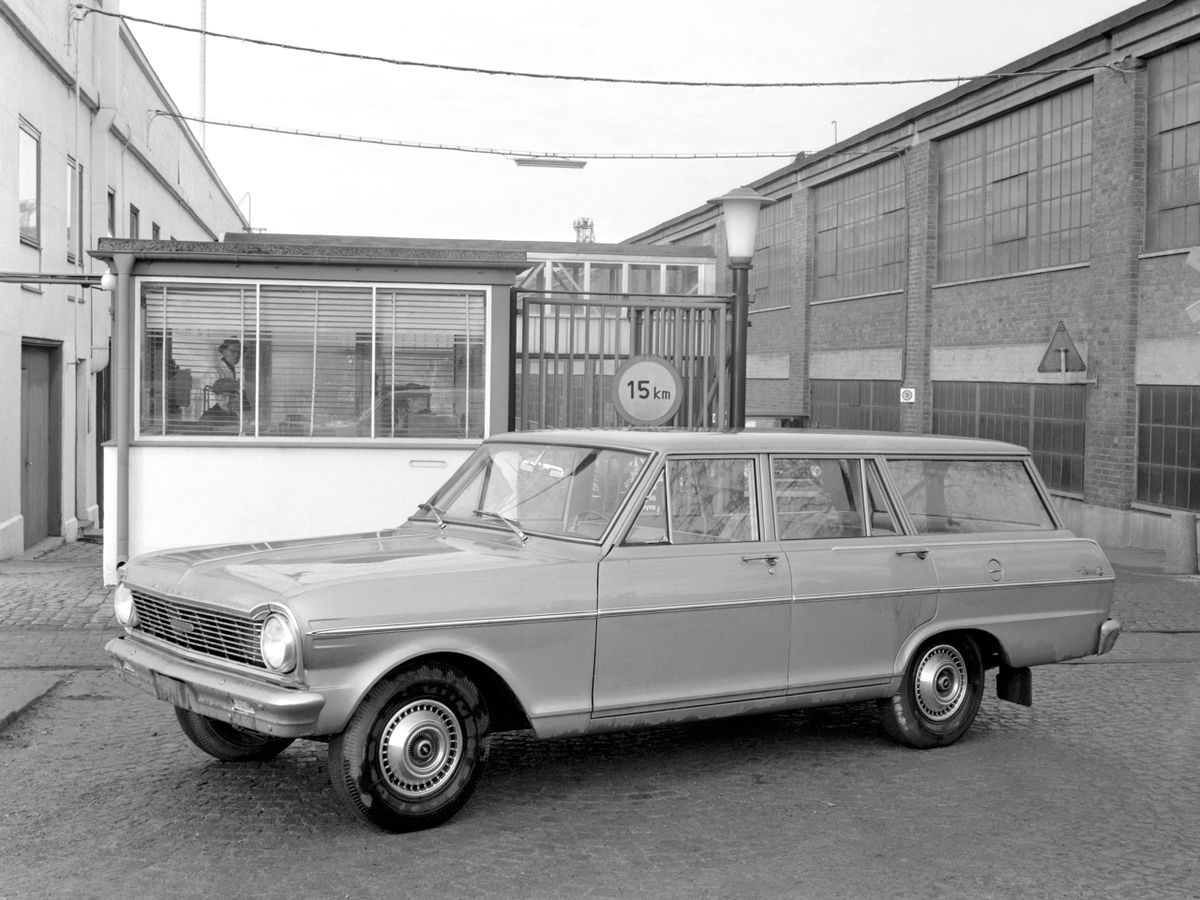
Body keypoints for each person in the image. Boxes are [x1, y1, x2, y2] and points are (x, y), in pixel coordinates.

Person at [202, 337, 251, 420]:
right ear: (223, 351)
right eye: (232, 351)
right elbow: (214, 401)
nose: (236, 355)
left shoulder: (234, 371)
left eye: (239, 352)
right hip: (215, 417)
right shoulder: (215, 372)